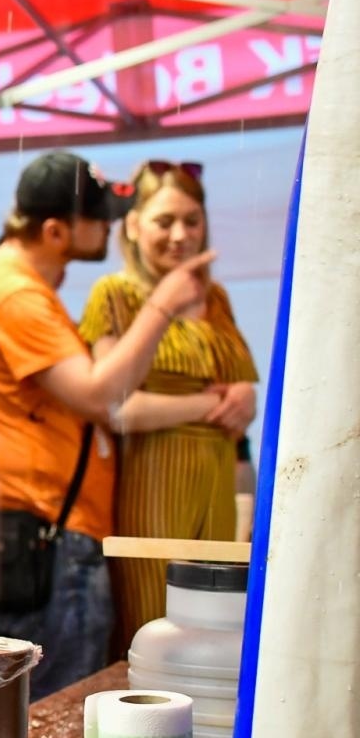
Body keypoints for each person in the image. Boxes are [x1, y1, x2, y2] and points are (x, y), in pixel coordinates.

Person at [0, 150, 213, 700]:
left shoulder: (19, 286)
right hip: (49, 539)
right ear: (54, 230)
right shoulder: (14, 291)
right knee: (60, 714)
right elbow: (101, 396)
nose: (111, 227)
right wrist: (162, 306)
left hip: (48, 536)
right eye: (99, 217)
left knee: (57, 711)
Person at [79, 160, 258, 651]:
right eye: (164, 221)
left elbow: (238, 387)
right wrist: (205, 406)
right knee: (153, 633)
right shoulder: (115, 293)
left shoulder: (215, 297)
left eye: (192, 220)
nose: (181, 235)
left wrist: (245, 397)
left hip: (219, 479)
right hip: (150, 480)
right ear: (134, 225)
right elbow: (118, 409)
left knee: (217, 631)